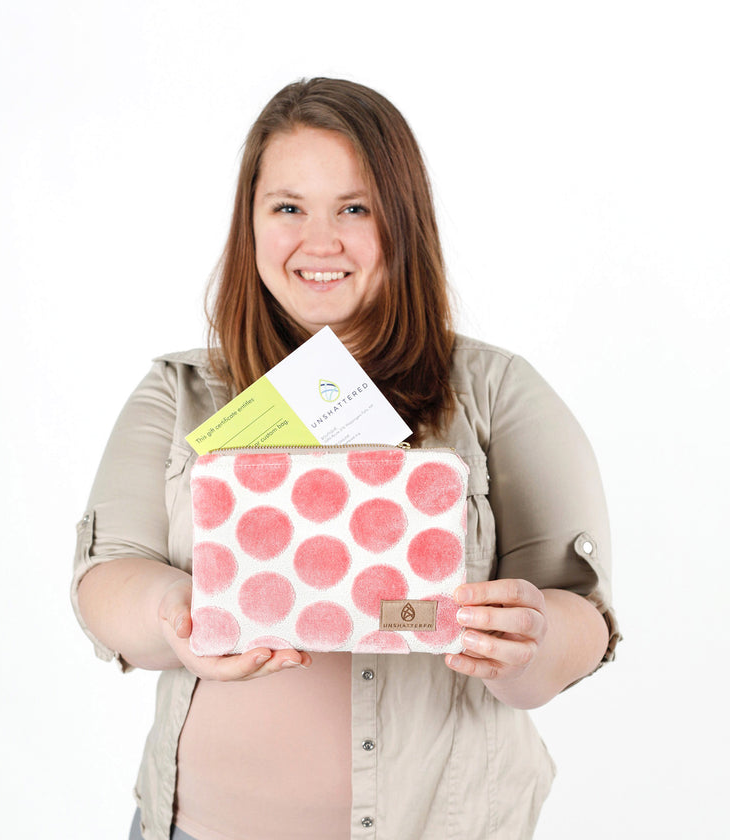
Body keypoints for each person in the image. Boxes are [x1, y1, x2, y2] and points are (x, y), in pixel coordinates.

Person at [72, 78, 620, 840]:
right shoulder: (181, 393)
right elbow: (105, 580)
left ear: (404, 222)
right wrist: (173, 613)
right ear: (251, 224)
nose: (319, 241)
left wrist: (533, 641)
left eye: (354, 209)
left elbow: (581, 619)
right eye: (288, 207)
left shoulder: (499, 392)